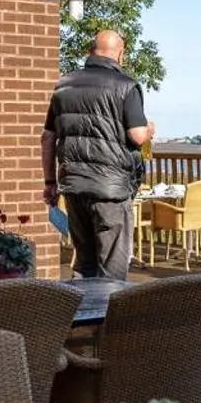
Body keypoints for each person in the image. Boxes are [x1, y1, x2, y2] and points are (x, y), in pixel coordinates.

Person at [42, 29, 154, 280]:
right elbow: (136, 135)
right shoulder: (127, 86)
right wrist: (149, 130)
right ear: (121, 54)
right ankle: (107, 317)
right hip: (111, 191)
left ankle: (82, 316)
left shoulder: (63, 85)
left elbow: (48, 138)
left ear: (91, 52)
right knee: (112, 268)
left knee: (84, 263)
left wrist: (50, 182)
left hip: (74, 185)